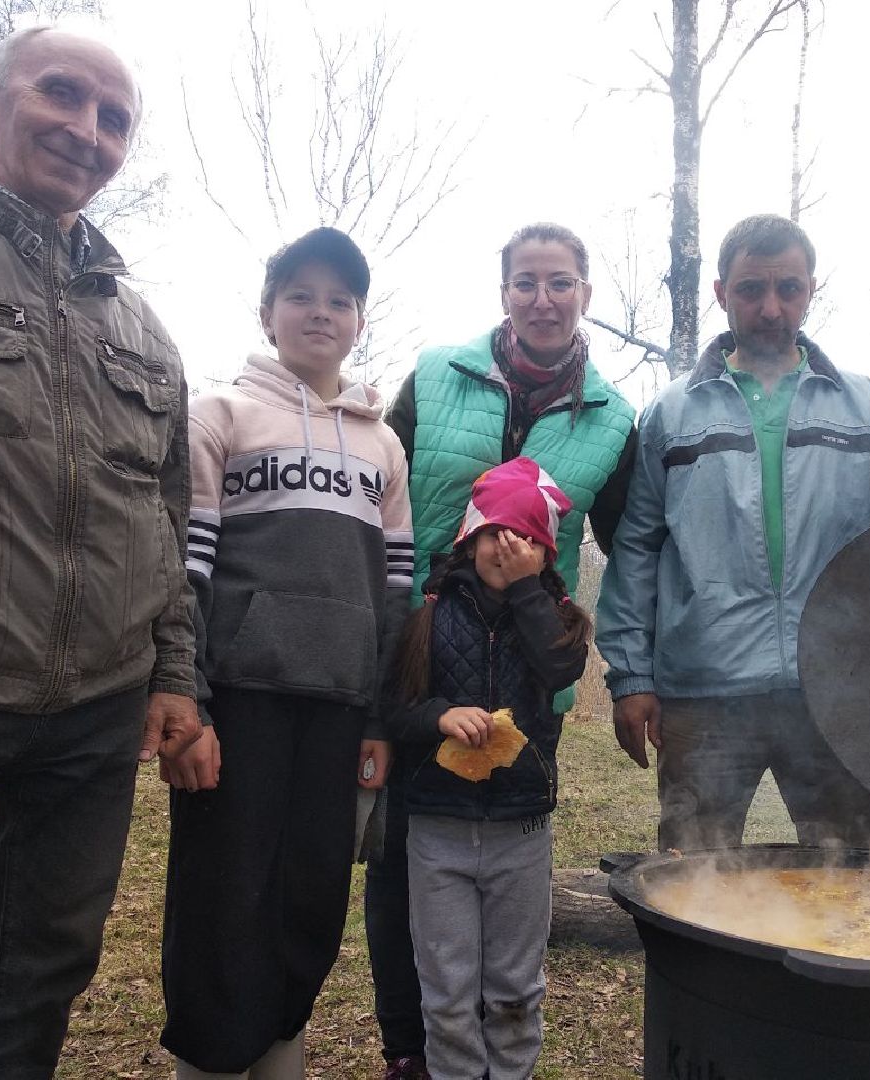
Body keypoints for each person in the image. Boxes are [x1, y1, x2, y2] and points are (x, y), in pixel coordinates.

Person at [0, 26, 202, 1077]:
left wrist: (174, 675)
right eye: (62, 96)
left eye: (114, 119)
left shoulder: (146, 332)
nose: (86, 131)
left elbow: (162, 514)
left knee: (40, 973)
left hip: (94, 711)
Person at [367, 222, 635, 1079]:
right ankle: (415, 1052)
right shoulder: (439, 372)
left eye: (561, 283)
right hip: (423, 653)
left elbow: (630, 542)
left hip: (530, 660)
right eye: (527, 282)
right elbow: (380, 482)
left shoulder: (612, 416)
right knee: (403, 863)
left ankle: (505, 1046)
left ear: (586, 294)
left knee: (509, 815)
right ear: (505, 293)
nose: (543, 299)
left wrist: (627, 662)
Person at [158, 228, 411, 1078]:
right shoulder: (219, 415)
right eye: (300, 295)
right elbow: (185, 569)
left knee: (310, 896)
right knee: (224, 896)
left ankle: (281, 1056)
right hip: (239, 699)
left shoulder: (383, 446)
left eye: (340, 299)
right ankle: (210, 1059)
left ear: (359, 320)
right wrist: (186, 700)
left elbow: (396, 596)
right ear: (267, 313)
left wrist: (378, 717)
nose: (320, 311)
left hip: (339, 707)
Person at [596, 213, 870, 853]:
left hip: (836, 690)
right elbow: (637, 549)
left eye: (788, 288)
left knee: (862, 882)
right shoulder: (672, 413)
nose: (770, 308)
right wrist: (630, 677)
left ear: (811, 289)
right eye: (750, 290)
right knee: (692, 884)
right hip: (704, 694)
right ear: (720, 293)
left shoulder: (865, 406)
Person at [385, 457, 589, 1080]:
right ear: (469, 537)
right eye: (494, 533)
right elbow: (396, 710)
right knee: (446, 992)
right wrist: (442, 716)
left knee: (513, 992)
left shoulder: (558, 620)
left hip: (521, 831)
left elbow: (559, 672)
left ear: (545, 553)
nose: (506, 548)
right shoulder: (428, 614)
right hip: (438, 828)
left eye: (524, 538)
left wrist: (529, 590)